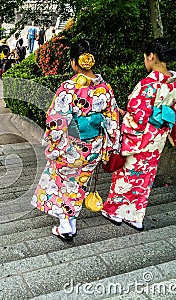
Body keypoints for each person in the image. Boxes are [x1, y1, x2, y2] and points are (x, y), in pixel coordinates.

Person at [31, 39, 121, 240]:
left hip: (70, 147)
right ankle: (70, 222)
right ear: (92, 61)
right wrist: (110, 146)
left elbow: (56, 121)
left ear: (74, 62)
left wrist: (55, 146)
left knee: (62, 182)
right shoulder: (105, 88)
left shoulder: (68, 89)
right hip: (94, 148)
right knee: (78, 184)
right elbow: (112, 120)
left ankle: (66, 225)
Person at [102, 38, 176, 231]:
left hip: (139, 138)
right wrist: (167, 124)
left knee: (126, 173)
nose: (145, 61)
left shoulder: (147, 83)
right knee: (145, 177)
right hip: (158, 138)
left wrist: (124, 118)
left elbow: (137, 113)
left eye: (145, 57)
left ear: (151, 56)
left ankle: (115, 211)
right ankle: (136, 216)